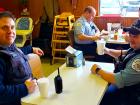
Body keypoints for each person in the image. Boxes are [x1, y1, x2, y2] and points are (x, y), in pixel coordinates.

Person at [91, 19, 140, 105]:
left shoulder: (138, 61)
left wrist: (98, 70)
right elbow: (123, 54)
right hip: (125, 85)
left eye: (135, 36)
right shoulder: (136, 48)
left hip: (130, 95)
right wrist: (107, 51)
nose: (131, 38)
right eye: (130, 34)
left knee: (100, 97)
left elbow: (117, 80)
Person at [0, 11, 44, 105]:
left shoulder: (9, 46)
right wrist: (25, 88)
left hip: (28, 97)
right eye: (4, 28)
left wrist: (31, 49)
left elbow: (16, 53)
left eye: (12, 27)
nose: (10, 31)